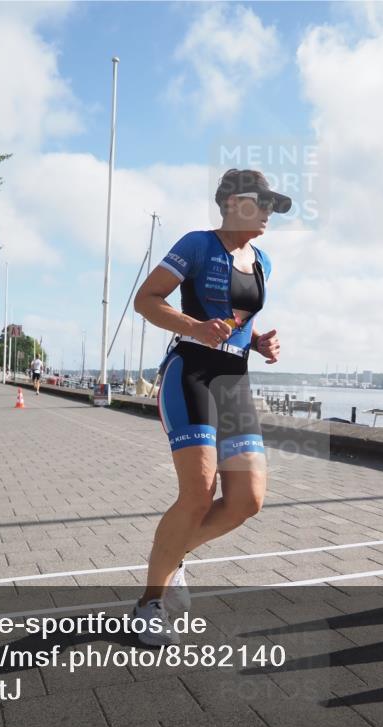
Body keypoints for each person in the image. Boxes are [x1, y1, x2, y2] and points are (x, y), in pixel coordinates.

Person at [131, 169, 287, 645]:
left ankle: (173, 554)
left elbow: (238, 323)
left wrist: (257, 341)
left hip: (234, 379)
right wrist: (195, 326)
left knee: (247, 499)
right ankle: (149, 603)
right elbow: (146, 300)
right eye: (262, 202)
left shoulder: (262, 261)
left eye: (272, 206)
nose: (268, 213)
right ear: (233, 202)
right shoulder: (198, 244)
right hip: (192, 372)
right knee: (199, 493)